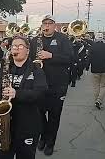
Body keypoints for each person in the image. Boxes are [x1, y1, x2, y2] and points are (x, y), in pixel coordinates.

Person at [0, 35, 47, 159]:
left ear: (27, 50)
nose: (16, 48)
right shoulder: (5, 68)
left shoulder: (36, 70)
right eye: (14, 46)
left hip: (28, 126)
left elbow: (41, 92)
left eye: (20, 46)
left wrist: (17, 94)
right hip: (5, 127)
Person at [29, 14, 73, 156]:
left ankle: (50, 142)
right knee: (39, 114)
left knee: (54, 116)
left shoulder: (63, 39)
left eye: (50, 23)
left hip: (57, 85)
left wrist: (51, 56)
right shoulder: (35, 40)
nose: (47, 26)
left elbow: (71, 59)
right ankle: (43, 136)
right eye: (44, 23)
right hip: (39, 85)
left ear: (55, 25)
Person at [86, 36, 105, 110]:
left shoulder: (92, 47)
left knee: (96, 86)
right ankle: (99, 100)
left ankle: (97, 100)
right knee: (104, 86)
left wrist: (87, 67)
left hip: (95, 69)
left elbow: (89, 58)